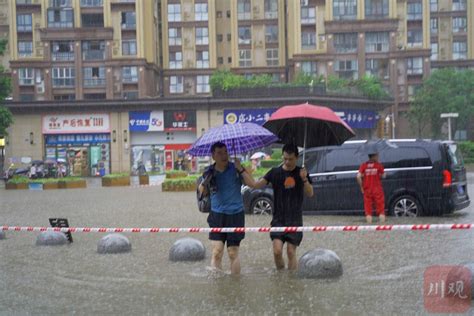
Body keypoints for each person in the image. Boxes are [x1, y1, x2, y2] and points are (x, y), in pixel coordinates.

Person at [245, 144, 314, 270]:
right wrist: (242, 170)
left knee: (291, 252)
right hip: (278, 220)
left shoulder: (301, 173)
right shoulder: (274, 172)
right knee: (277, 251)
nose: (287, 162)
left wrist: (304, 180)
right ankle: (281, 278)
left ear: (297, 158)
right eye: (285, 158)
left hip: (295, 220)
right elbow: (256, 185)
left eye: (290, 159)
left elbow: (310, 193)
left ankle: (291, 280)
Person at [198, 142, 256, 275]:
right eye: (219, 153)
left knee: (232, 252)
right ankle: (217, 285)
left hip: (236, 215)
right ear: (213, 156)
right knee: (217, 252)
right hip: (217, 215)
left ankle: (235, 286)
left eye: (225, 152)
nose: (224, 155)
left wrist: (240, 168)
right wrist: (205, 182)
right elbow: (203, 193)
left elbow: (252, 184)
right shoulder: (209, 171)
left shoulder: (236, 168)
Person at [357, 150, 386, 224]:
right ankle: (382, 228)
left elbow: (358, 176)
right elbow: (384, 175)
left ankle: (369, 228)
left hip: (367, 190)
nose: (378, 156)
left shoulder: (363, 165)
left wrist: (361, 187)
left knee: (368, 210)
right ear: (373, 156)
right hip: (377, 190)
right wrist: (381, 175)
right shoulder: (378, 165)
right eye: (377, 155)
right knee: (381, 210)